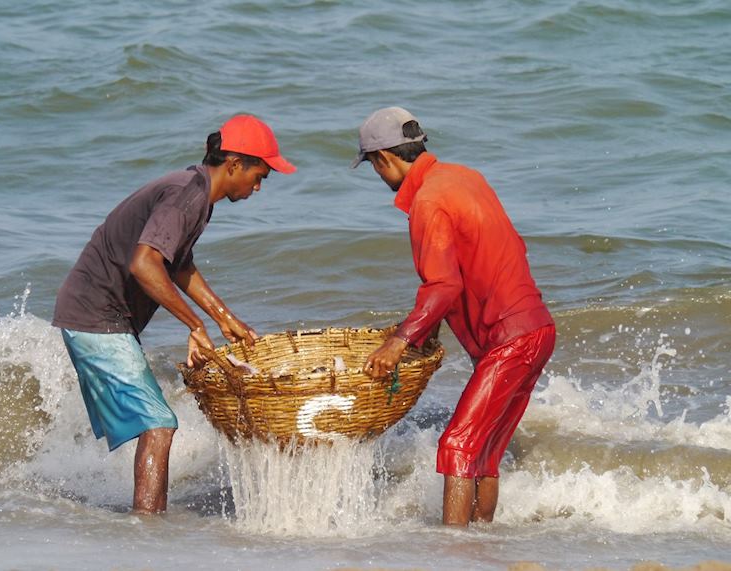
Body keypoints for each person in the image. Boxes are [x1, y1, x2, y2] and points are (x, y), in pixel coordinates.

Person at [52, 114, 295, 513]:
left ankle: (146, 523)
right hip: (96, 316)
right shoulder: (188, 194)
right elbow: (145, 264)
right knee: (159, 425)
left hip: (99, 315)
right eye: (260, 175)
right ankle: (147, 531)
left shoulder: (196, 194)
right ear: (233, 164)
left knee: (155, 423)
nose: (258, 186)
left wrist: (222, 317)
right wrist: (196, 325)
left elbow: (178, 264)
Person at [353, 107, 555, 526]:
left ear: (384, 159)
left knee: (458, 446)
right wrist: (420, 327)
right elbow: (485, 259)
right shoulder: (465, 177)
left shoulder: (428, 201)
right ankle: (479, 546)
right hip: (537, 329)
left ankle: (453, 552)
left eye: (373, 164)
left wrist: (398, 342)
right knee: (484, 453)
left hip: (509, 340)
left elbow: (443, 286)